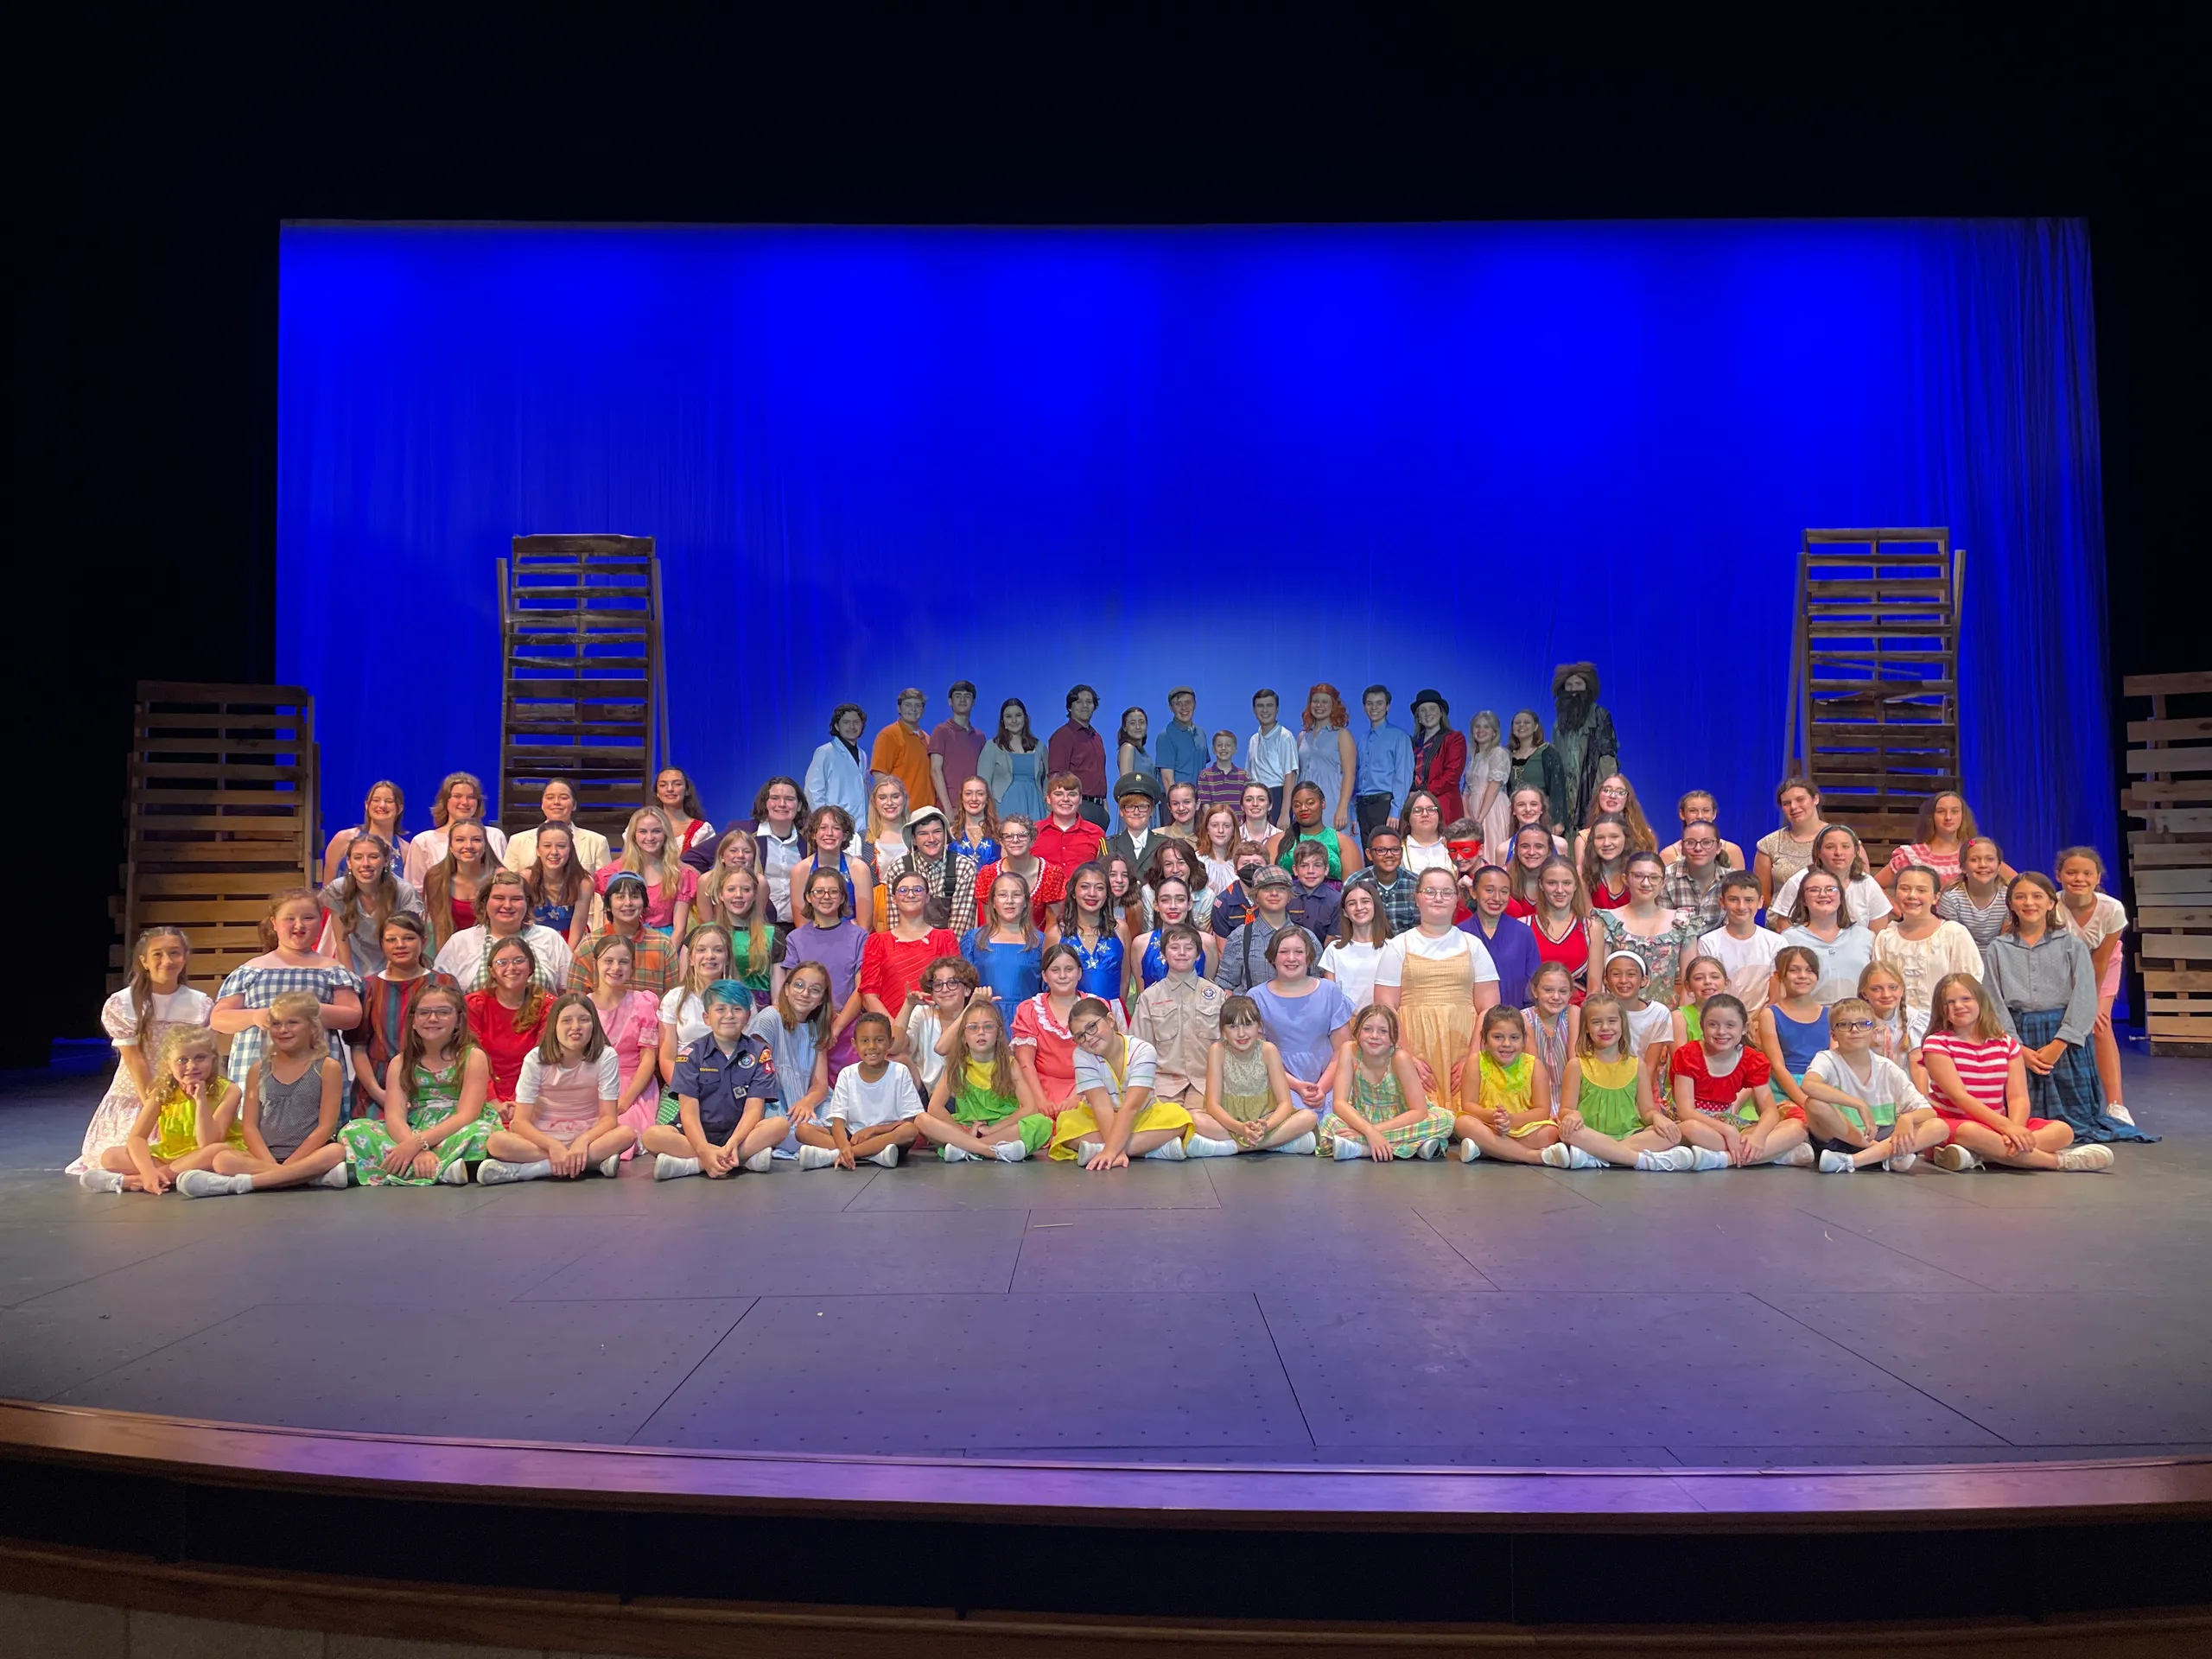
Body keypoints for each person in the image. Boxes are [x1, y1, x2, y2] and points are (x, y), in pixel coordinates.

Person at [1981, 873, 2153, 1145]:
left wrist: (2059, 1044)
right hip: (2019, 1037)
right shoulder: (1998, 949)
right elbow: (1992, 1002)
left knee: (2074, 1121)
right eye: (2020, 897)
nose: (2029, 903)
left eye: (2037, 896)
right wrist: (2017, 1048)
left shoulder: (2071, 945)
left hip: (2063, 1037)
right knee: (2019, 1116)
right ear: (2011, 904)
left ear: (2051, 903)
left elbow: (2084, 998)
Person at [1919, 973, 2113, 1173]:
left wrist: (2016, 1129)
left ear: (1981, 1001)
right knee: (1971, 1132)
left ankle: (1982, 1154)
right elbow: (1959, 1096)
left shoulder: (2006, 1044)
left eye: (1965, 999)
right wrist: (2006, 1128)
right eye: (1949, 1002)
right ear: (1942, 1010)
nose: (1958, 1006)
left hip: (1998, 1126)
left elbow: (2018, 1097)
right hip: (1954, 1123)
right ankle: (2059, 1162)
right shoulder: (1937, 1044)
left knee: (2063, 1131)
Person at [178, 992, 352, 1198]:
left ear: (313, 1027)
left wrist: (293, 1162)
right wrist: (271, 1164)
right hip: (262, 1157)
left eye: (292, 1023)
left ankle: (238, 1185)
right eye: (276, 1024)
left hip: (308, 1155)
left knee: (336, 1152)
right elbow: (250, 1126)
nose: (283, 1030)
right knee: (222, 1160)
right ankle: (307, 1178)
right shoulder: (258, 1069)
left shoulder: (327, 1067)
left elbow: (326, 1127)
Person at [73, 925, 213, 1177]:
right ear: (144, 961)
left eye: (174, 953)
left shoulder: (199, 1004)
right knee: (117, 1155)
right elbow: (135, 1059)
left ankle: (165, 1172)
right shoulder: (123, 1003)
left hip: (183, 1091)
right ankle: (164, 1172)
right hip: (141, 1092)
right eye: (157, 954)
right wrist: (156, 1105)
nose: (167, 961)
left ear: (185, 956)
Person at [338, 982, 496, 1186]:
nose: (432, 1019)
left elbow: (467, 1115)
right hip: (414, 1130)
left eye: (443, 1012)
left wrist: (419, 1144)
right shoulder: (400, 1062)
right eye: (424, 1012)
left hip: (455, 1128)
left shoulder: (473, 1057)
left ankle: (407, 1169)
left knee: (481, 1133)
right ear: (413, 1021)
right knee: (354, 1130)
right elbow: (395, 1116)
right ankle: (443, 1170)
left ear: (458, 1020)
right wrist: (414, 1147)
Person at [1370, 867, 1502, 1114]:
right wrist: (1406, 1058)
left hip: (1464, 1045)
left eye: (1446, 892)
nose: (1438, 897)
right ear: (1417, 898)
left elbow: (1489, 1009)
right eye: (1430, 891)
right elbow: (1386, 1009)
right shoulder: (1399, 946)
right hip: (1413, 1045)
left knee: (1469, 1118)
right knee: (1419, 1113)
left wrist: (1473, 1061)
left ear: (1456, 900)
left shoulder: (1472, 945)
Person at [212, 889, 364, 1091]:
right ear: (274, 923)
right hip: (258, 1065)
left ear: (320, 922)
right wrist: (256, 1016)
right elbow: (219, 1019)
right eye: (289, 918)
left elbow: (352, 1016)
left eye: (308, 918)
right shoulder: (251, 971)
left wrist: (307, 1012)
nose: (299, 925)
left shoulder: (332, 970)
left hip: (316, 1068)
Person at [479, 994, 634, 1183]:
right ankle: (589, 1164)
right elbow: (520, 1122)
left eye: (584, 1020)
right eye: (566, 1021)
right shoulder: (535, 1059)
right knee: (496, 1143)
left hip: (588, 1132)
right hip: (544, 1134)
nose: (575, 1027)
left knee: (627, 1134)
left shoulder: (606, 1056)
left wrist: (583, 1140)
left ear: (594, 1025)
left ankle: (532, 1170)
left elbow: (609, 1118)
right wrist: (552, 1145)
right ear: (554, 1026)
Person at [1541, 992, 1704, 1171]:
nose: (1605, 1027)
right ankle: (1641, 1160)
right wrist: (1572, 1115)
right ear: (1587, 1028)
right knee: (1568, 1133)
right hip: (1590, 1134)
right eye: (1596, 1022)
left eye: (1612, 1021)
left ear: (1622, 1024)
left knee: (1669, 1134)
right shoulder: (1576, 1065)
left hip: (1630, 1134)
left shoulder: (1637, 1065)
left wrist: (1658, 1117)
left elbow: (1647, 1111)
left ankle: (1598, 1156)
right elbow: (1565, 1110)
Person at [645, 981, 789, 1179]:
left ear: (748, 1016)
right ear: (706, 1017)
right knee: (652, 1137)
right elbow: (689, 1114)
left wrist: (735, 1141)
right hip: (694, 1134)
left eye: (737, 1009)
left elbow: (754, 1110)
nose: (729, 1015)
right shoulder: (690, 1054)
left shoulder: (760, 1053)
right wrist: (703, 1148)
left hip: (739, 1134)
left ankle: (696, 1164)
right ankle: (738, 1160)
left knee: (780, 1125)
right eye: (720, 1009)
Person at [80, 1026, 245, 1195]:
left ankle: (133, 1181)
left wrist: (201, 1100)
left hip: (206, 1155)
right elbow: (137, 1137)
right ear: (168, 1066)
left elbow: (208, 1143)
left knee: (217, 1152)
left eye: (200, 1058)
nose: (191, 1066)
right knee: (111, 1156)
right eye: (182, 1060)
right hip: (174, 1156)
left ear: (213, 1060)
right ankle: (162, 1177)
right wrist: (147, 1170)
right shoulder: (162, 1092)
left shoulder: (230, 1091)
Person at [1797, 995, 1949, 1174]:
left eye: (1863, 1024)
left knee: (1940, 1127)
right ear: (1833, 1035)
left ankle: (1852, 1161)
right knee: (1814, 1104)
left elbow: (1927, 1110)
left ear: (1873, 1031)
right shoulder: (1827, 1059)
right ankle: (1884, 1154)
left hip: (1883, 1134)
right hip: (1840, 1137)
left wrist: (1907, 1118)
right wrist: (1859, 1104)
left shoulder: (1887, 1068)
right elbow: (1809, 1085)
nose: (1855, 1030)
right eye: (1845, 1025)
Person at [1667, 994, 1810, 1169]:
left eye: (1730, 1025)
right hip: (1702, 1123)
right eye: (1713, 1025)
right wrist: (1727, 1131)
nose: (1721, 1032)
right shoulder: (1688, 1055)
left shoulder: (1752, 1059)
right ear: (1702, 1026)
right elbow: (1686, 1112)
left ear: (1743, 1028)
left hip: (1729, 1121)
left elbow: (1769, 1111)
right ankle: (1775, 1154)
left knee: (1797, 1127)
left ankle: (1724, 1159)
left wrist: (1759, 1136)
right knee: (1690, 1128)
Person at [1050, 999, 1195, 1169]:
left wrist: (1111, 1151)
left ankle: (1099, 1150)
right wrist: (1115, 1151)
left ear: (1110, 1020)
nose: (1089, 1038)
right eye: (1080, 1036)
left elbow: (1131, 1107)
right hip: (1098, 1119)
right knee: (1066, 1126)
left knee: (1180, 1119)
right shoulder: (1082, 1055)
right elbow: (1101, 1105)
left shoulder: (1143, 1050)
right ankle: (1152, 1149)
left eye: (1092, 1027)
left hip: (1140, 1116)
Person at [912, 994, 1052, 1162]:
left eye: (988, 1027)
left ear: (999, 1032)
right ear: (963, 1036)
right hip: (967, 1128)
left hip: (1002, 1128)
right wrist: (962, 1131)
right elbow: (935, 1108)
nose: (981, 1033)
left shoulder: (1009, 1064)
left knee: (1043, 1124)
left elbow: (1030, 1108)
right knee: (921, 1120)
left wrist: (993, 1130)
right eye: (973, 1027)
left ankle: (966, 1149)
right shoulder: (957, 1065)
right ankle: (989, 1150)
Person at [1309, 1004, 1447, 1161]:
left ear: (1392, 1038)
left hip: (1399, 1121)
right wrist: (1368, 1130)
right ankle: (1414, 1146)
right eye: (1367, 1029)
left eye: (1383, 1031)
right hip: (1363, 1120)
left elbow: (1419, 1111)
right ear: (1357, 1031)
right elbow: (1340, 1103)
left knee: (1445, 1119)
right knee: (1330, 1122)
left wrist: (1374, 1131)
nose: (1374, 1036)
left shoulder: (1399, 1058)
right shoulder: (1349, 1050)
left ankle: (1363, 1148)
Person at [2056, 847, 2132, 1122]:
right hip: (2063, 969)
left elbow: (2101, 962)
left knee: (2099, 1024)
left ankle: (2116, 1104)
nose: (2079, 878)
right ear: (2059, 875)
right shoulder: (2051, 906)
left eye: (2087, 873)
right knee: (2060, 1023)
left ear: (2097, 877)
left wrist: (2088, 1001)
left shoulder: (2112, 909)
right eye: (2071, 872)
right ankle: (2062, 1101)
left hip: (2102, 965)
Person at [1249, 928, 1356, 1121]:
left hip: (1330, 1079)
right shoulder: (1256, 997)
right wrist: (1297, 1086)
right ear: (1273, 957)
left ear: (1308, 957)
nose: (1291, 958)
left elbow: (1343, 1050)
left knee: (1340, 1119)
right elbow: (1257, 1056)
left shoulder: (1329, 991)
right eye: (1283, 952)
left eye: (1299, 952)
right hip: (1279, 1080)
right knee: (1293, 1120)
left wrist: (1321, 1088)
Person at [1130, 922, 1229, 1128]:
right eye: (1174, 948)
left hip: (1205, 1082)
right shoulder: (1150, 997)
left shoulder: (1215, 994)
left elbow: (1227, 1045)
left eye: (1189, 947)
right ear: (1164, 955)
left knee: (1199, 1123)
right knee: (1166, 1125)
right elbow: (1139, 1048)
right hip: (1164, 1083)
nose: (1182, 953)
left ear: (1199, 955)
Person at [683, 777, 810, 923]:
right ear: (765, 803)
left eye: (789, 799)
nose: (782, 804)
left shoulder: (809, 843)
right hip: (753, 928)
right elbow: (692, 859)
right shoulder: (743, 832)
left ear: (799, 805)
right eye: (774, 798)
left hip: (799, 926)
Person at [584, 934, 664, 1154]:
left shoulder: (643, 1003)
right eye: (608, 961)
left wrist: (626, 1099)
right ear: (596, 964)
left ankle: (602, 1157)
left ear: (632, 967)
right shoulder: (585, 1006)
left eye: (623, 962)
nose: (615, 967)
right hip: (594, 1082)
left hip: (633, 1083)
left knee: (622, 1127)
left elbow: (648, 1058)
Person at [1872, 865, 1984, 1018]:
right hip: (1898, 1026)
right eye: (1905, 888)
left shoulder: (1953, 933)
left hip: (1945, 1023)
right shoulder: (1886, 938)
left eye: (1921, 890)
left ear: (1935, 897)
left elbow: (1970, 984)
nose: (1912, 895)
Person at [433, 868, 573, 990]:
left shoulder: (550, 938)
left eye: (516, 899)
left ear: (528, 903)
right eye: (499, 898)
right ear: (484, 902)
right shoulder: (461, 941)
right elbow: (441, 991)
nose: (507, 905)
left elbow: (567, 993)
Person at [748, 962, 834, 1160]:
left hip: (807, 1100)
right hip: (775, 1101)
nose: (805, 994)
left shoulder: (816, 1028)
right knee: (788, 1132)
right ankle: (848, 1152)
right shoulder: (770, 1017)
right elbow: (758, 1076)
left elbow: (820, 1085)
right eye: (799, 985)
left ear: (822, 999)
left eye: (815, 990)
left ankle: (830, 1150)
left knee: (840, 1121)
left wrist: (807, 1102)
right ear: (786, 989)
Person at [1452, 1003, 1557, 1165]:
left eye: (1514, 1038)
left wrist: (1511, 1120)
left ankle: (1487, 1149)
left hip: (1523, 1127)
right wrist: (1494, 1118)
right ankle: (1533, 1156)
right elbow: (1468, 1105)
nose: (1506, 1044)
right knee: (1462, 1123)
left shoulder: (1534, 1066)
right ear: (1485, 1039)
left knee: (1551, 1133)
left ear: (1523, 1039)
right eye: (1498, 1037)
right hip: (1488, 1125)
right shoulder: (1476, 1062)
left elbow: (1542, 1110)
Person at [859, 868, 960, 1033]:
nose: (910, 895)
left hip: (936, 1030)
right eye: (903, 890)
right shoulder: (877, 942)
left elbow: (956, 989)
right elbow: (869, 995)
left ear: (927, 897)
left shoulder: (945, 938)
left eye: (918, 890)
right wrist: (896, 1032)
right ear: (894, 899)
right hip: (891, 1031)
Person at [1586, 851, 1689, 1004]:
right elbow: (1597, 984)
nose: (1646, 883)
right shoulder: (1607, 920)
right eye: (1638, 876)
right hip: (1618, 1017)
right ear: (1625, 879)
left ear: (1664, 882)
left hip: (1666, 1017)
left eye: (1654, 878)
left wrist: (1682, 1023)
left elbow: (1690, 984)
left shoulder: (1681, 921)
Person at [466, 935, 551, 1111]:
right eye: (502, 962)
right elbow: (470, 1057)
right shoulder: (474, 1005)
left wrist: (522, 1101)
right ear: (491, 971)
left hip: (535, 1094)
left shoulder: (548, 1005)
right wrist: (493, 1101)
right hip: (481, 1092)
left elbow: (545, 1059)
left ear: (531, 967)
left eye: (518, 961)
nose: (511, 968)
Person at [318, 833, 423, 976]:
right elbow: (342, 944)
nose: (365, 864)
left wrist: (383, 982)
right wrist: (351, 982)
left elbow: (403, 943)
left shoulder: (404, 892)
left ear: (385, 860)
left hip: (396, 967)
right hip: (353, 965)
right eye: (358, 857)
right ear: (349, 862)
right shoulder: (338, 890)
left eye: (373, 857)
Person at [567, 870, 677, 998]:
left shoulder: (662, 945)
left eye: (635, 896)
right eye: (620, 897)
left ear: (644, 902)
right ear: (608, 904)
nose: (628, 903)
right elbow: (575, 999)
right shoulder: (589, 946)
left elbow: (672, 999)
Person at [874, 805, 980, 934]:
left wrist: (943, 953)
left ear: (946, 834)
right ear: (913, 839)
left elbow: (961, 928)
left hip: (950, 950)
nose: (931, 839)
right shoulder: (898, 869)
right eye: (923, 833)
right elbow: (896, 923)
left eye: (937, 832)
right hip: (909, 948)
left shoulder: (964, 867)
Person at [1770, 825, 1892, 935]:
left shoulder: (1868, 884)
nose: (1838, 853)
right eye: (1830, 847)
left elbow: (1878, 935)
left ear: (1856, 852)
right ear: (1818, 852)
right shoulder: (1798, 882)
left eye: (1845, 846)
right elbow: (1784, 927)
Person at [594, 806, 696, 937]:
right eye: (643, 831)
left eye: (656, 831)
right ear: (634, 835)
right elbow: (609, 921)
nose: (650, 837)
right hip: (623, 942)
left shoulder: (680, 874)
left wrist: (667, 955)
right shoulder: (614, 872)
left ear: (665, 834)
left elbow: (679, 929)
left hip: (665, 943)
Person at [1214, 865, 1314, 996]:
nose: (1274, 893)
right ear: (1256, 897)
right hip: (1252, 1013)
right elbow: (1225, 984)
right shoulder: (1240, 937)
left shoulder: (1308, 938)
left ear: (1289, 896)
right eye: (1267, 888)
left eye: (1281, 888)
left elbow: (1317, 981)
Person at [1010, 943, 1088, 1111]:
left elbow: (1102, 1059)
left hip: (1088, 1088)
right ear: (1044, 976)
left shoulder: (1094, 1008)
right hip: (1038, 1089)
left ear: (1079, 973)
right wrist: (1040, 1101)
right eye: (1055, 970)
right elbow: (1026, 1062)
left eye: (1069, 969)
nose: (1062, 975)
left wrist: (1078, 1097)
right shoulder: (1029, 1010)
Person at [1778, 870, 1875, 1004]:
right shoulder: (1788, 939)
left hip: (1858, 1017)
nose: (1823, 894)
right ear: (1803, 900)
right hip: (1809, 1019)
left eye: (1831, 889)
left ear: (1841, 898)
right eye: (1814, 890)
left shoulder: (1865, 936)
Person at [1755, 945, 1831, 1112]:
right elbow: (1777, 1066)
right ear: (1779, 976)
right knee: (1802, 1123)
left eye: (1809, 970)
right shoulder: (1770, 1015)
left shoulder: (1830, 1015)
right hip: (1784, 1090)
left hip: (1823, 1086)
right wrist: (1805, 1103)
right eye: (1794, 970)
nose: (1803, 976)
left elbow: (1836, 1062)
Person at [1548, 664, 1620, 836]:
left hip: (1590, 783)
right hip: (1565, 788)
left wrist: (1602, 791)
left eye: (1578, 685)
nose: (1573, 691)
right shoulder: (1560, 723)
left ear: (1588, 689)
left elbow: (1607, 755)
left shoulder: (1599, 715)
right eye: (1569, 686)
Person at [891, 955, 976, 1099]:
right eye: (938, 984)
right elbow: (892, 1047)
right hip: (925, 1094)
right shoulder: (923, 1013)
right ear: (932, 992)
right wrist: (909, 1005)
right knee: (897, 1058)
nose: (945, 989)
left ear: (967, 990)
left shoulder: (977, 1017)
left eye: (952, 983)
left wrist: (971, 1008)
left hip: (965, 1097)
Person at [402, 772, 508, 887]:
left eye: (471, 797)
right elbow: (414, 889)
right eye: (457, 796)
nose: (464, 802)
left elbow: (507, 880)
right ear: (445, 801)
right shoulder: (423, 841)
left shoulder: (495, 836)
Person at [1699, 871, 1783, 1014]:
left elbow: (1776, 996)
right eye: (1733, 900)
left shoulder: (1776, 942)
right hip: (1722, 1019)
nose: (1741, 907)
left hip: (1763, 1021)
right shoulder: (1708, 942)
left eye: (1749, 900)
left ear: (1760, 902)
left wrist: (1758, 1022)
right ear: (1722, 902)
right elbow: (1709, 992)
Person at [787, 804, 874, 936]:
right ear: (813, 834)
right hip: (813, 942)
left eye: (836, 828)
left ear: (845, 835)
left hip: (852, 942)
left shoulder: (859, 869)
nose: (829, 833)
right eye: (823, 828)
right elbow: (801, 926)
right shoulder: (800, 871)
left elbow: (864, 926)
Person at [973, 814, 1068, 930]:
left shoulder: (1051, 874)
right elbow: (989, 924)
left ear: (1032, 840)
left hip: (1040, 943)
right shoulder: (988, 874)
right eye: (1008, 836)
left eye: (1022, 836)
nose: (1015, 840)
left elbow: (1052, 927)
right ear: (1001, 842)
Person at [963, 871, 1047, 1003]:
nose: (1010, 901)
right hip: (986, 1018)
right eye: (1003, 895)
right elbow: (964, 986)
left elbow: (1047, 991)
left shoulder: (1040, 942)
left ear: (1026, 902)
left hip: (1026, 1019)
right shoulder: (973, 940)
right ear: (993, 902)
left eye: (1016, 895)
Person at [503, 777, 612, 877]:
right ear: (542, 804)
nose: (556, 802)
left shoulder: (597, 842)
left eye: (563, 798)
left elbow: (603, 886)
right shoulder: (518, 841)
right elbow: (508, 882)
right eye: (550, 798)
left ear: (574, 805)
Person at [708, 869, 787, 1004]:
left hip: (761, 1010)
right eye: (731, 889)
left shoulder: (773, 934)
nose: (738, 895)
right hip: (717, 1005)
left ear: (755, 894)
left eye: (746, 889)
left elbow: (778, 993)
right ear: (720, 894)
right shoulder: (707, 933)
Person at [1878, 791, 1983, 891]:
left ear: (1963, 816)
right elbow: (1875, 887)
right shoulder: (1912, 856)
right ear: (1931, 817)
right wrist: (1896, 910)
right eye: (1941, 812)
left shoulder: (1974, 852)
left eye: (1954, 811)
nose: (1948, 817)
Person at [1351, 683, 1414, 846]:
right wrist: (1353, 813)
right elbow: (1356, 777)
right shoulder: (1363, 739)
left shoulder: (1399, 737)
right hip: (1363, 806)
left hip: (1385, 805)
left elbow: (1403, 776)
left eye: (1379, 703)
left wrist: (1395, 811)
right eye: (1369, 703)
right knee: (1369, 855)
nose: (1374, 708)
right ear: (1364, 707)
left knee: (1386, 852)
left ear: (1388, 707)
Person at [1054, 862, 1127, 1002]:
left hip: (1112, 1014)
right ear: (1073, 892)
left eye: (1099, 888)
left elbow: (1124, 980)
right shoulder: (1057, 933)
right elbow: (1049, 983)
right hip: (1072, 1015)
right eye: (1084, 887)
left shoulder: (1120, 929)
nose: (1092, 894)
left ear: (1107, 894)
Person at [1753, 777, 1829, 906]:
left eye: (1800, 800)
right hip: (1783, 922)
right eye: (1786, 803)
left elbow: (1860, 885)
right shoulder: (1769, 844)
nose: (1793, 807)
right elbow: (1763, 897)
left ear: (1815, 799)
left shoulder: (1841, 838)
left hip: (1830, 920)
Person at [1132, 878, 1219, 989]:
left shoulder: (1206, 942)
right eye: (1165, 900)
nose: (1173, 906)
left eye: (1180, 900)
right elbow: (1142, 994)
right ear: (1156, 905)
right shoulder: (1141, 944)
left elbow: (1208, 991)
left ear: (1189, 904)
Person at [1320, 878, 1392, 1010]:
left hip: (1381, 1023)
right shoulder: (1334, 950)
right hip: (1345, 1022)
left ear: (1375, 906)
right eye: (1352, 903)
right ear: (1345, 913)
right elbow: (1330, 998)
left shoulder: (1392, 948)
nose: (1359, 908)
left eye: (1365, 901)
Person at [422, 820, 496, 948]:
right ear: (450, 846)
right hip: (452, 951)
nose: (468, 846)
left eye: (476, 840)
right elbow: (440, 929)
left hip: (491, 950)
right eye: (460, 840)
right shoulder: (436, 878)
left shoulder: (498, 877)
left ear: (485, 846)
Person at [1526, 858, 1592, 1001]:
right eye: (1552, 883)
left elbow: (1594, 989)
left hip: (1579, 1012)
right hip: (1536, 1012)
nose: (1560, 890)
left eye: (1567, 883)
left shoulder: (1592, 928)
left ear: (1575, 885)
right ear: (1541, 885)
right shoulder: (1524, 926)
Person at [1296, 683, 1358, 836]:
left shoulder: (1342, 735)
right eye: (1315, 701)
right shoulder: (1303, 736)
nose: (1319, 705)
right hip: (1305, 803)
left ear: (1334, 706)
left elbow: (1350, 774)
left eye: (1325, 702)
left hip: (1332, 802)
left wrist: (1343, 808)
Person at [1519, 959, 1580, 1113]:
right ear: (1535, 991)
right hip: (1538, 1095)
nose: (1556, 997)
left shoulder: (1573, 1013)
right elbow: (1534, 1068)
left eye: (1563, 991)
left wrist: (1568, 1109)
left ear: (1570, 994)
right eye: (1548, 990)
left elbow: (1575, 1061)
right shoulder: (1525, 1018)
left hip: (1570, 1095)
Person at [518, 822, 590, 948]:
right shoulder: (525, 878)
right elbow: (523, 923)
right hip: (534, 941)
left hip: (571, 942)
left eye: (561, 846)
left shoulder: (583, 882)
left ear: (570, 849)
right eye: (547, 846)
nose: (554, 852)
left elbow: (578, 927)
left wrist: (567, 958)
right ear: (538, 850)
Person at [1048, 683, 1110, 826]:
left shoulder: (1096, 737)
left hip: (1099, 808)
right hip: (1078, 807)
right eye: (1079, 702)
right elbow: (1057, 777)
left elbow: (1100, 773)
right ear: (1070, 707)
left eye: (1089, 702)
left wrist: (1105, 806)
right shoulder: (1062, 736)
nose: (1085, 706)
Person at [977, 696, 1047, 823]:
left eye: (1018, 715)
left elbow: (1049, 780)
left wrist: (1048, 808)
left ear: (1025, 719)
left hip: (1036, 808)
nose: (1014, 720)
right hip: (1003, 809)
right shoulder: (992, 747)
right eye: (1008, 716)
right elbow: (983, 783)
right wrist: (988, 813)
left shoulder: (1039, 747)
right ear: (1002, 721)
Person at [324, 780, 410, 883]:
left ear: (399, 808)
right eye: (376, 800)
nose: (382, 805)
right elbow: (327, 890)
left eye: (389, 801)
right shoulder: (343, 839)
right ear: (366, 805)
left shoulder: (405, 850)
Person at [1278, 779, 1363, 880]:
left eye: (1310, 803)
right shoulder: (1278, 840)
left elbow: (1352, 889)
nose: (1303, 808)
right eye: (1297, 805)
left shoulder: (1343, 843)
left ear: (1323, 803)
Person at [1935, 835, 2012, 948]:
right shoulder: (1951, 899)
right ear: (1963, 868)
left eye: (1989, 859)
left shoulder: (2007, 897)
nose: (1983, 865)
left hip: (1997, 957)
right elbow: (1951, 943)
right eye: (1974, 860)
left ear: (1999, 866)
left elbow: (2005, 943)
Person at [1659, 821, 1731, 937]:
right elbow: (1664, 928)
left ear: (1718, 848)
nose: (1698, 848)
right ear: (1682, 848)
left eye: (1706, 843)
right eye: (1690, 843)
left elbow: (1731, 931)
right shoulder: (1666, 878)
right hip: (1677, 947)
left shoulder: (1731, 880)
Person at [1462, 710, 1513, 870]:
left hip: (1491, 808)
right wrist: (1468, 816)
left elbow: (1493, 787)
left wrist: (1480, 818)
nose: (1481, 730)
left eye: (1486, 727)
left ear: (1494, 732)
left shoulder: (1499, 753)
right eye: (1477, 726)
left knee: (1492, 847)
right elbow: (1466, 791)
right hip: (1474, 809)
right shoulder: (1474, 757)